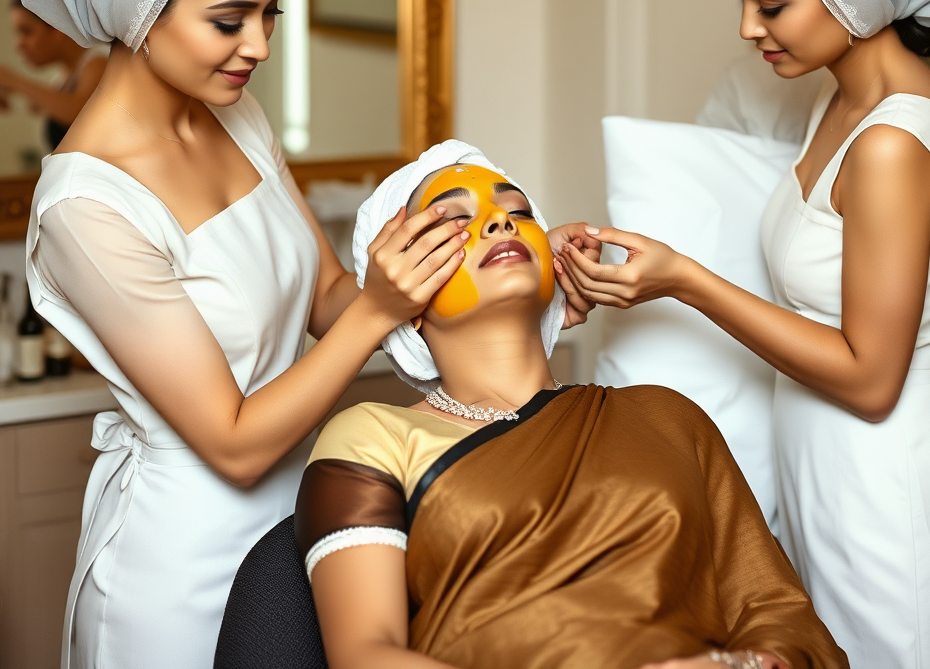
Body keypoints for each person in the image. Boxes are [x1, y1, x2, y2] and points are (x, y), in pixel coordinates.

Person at [5, 0, 595, 669]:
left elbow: (325, 294)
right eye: (228, 20)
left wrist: (501, 269)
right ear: (136, 3)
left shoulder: (235, 119)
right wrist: (385, 311)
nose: (260, 46)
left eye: (270, 9)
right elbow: (236, 442)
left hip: (303, 517)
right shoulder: (86, 207)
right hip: (181, 561)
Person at [556, 0, 930, 669]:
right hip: (828, 470)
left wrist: (686, 280)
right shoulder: (840, 99)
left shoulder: (889, 143)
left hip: (892, 482)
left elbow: (870, 379)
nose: (747, 28)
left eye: (771, 4)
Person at [295, 140, 847, 669]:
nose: (501, 221)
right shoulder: (371, 436)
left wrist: (741, 666)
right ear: (405, 297)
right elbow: (367, 656)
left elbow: (779, 615)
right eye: (452, 221)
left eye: (519, 211)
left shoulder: (665, 418)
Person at [0, 0, 107, 148]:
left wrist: (14, 81)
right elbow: (39, 105)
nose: (18, 45)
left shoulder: (98, 61)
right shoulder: (61, 79)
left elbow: (77, 112)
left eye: (26, 32)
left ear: (58, 28)